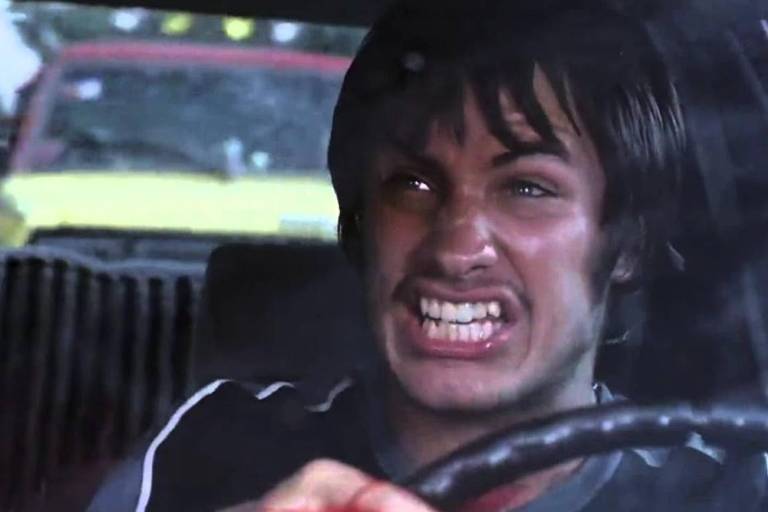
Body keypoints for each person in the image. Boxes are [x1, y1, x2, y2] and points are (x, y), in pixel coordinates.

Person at [88, 0, 768, 511]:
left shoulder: (724, 491)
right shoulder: (213, 450)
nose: (457, 247)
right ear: (361, 219)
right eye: (413, 186)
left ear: (629, 242)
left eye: (527, 188)